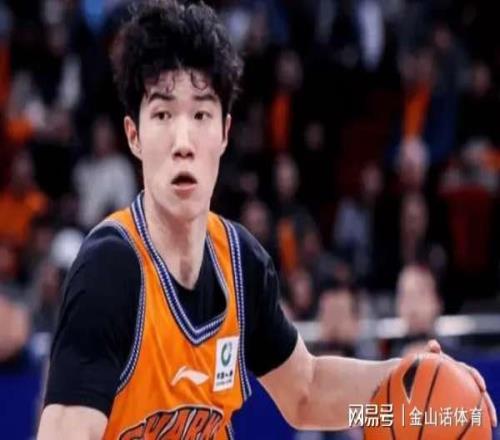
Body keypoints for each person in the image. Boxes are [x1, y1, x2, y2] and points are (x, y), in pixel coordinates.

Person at [37, 1, 496, 439]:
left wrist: (410, 383)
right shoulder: (110, 270)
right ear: (134, 136)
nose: (183, 142)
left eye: (201, 114)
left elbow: (306, 392)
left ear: (225, 132)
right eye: (162, 114)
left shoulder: (241, 263)